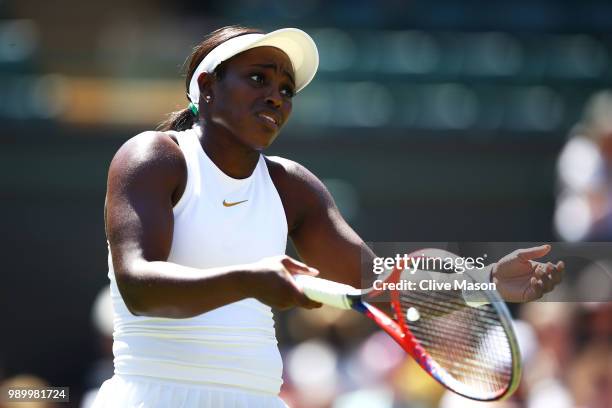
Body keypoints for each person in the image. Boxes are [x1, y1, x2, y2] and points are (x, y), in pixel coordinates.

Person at [94, 25, 565, 407]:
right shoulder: (153, 157)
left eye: (285, 88)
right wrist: (249, 280)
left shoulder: (292, 187)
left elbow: (379, 285)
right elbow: (138, 286)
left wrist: (482, 284)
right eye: (258, 78)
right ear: (207, 86)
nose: (277, 96)